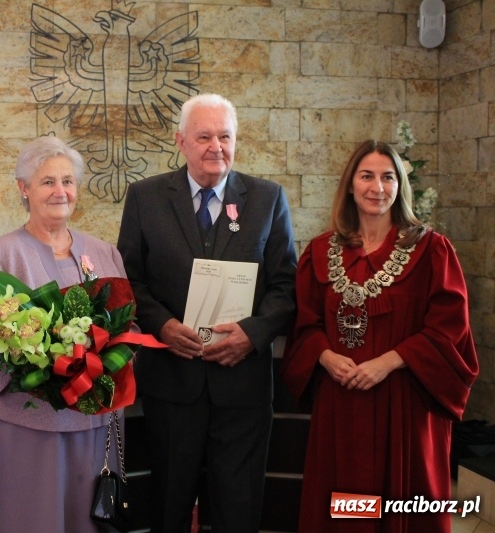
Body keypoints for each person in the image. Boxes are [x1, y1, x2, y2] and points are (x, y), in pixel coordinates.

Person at [116, 93, 297, 533]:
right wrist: (162, 325)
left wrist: (252, 334)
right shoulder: (146, 197)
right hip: (172, 383)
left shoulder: (268, 198)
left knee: (238, 508)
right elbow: (128, 282)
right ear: (181, 141)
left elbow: (286, 286)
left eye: (225, 136)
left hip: (243, 388)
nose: (215, 146)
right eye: (204, 136)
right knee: (169, 505)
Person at [281, 140, 479, 532]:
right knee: (349, 506)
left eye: (388, 177)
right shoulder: (321, 252)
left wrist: (386, 363)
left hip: (405, 400)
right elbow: (305, 324)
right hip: (343, 402)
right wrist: (324, 356)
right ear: (350, 185)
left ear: (400, 185)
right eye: (367, 176)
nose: (377, 187)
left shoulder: (431, 250)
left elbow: (449, 328)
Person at [0, 136, 128, 533]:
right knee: (33, 521)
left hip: (96, 422)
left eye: (67, 181)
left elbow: (128, 325)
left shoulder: (105, 253)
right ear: (24, 188)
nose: (60, 191)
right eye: (48, 181)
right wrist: (48, 370)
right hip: (28, 424)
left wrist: (106, 359)